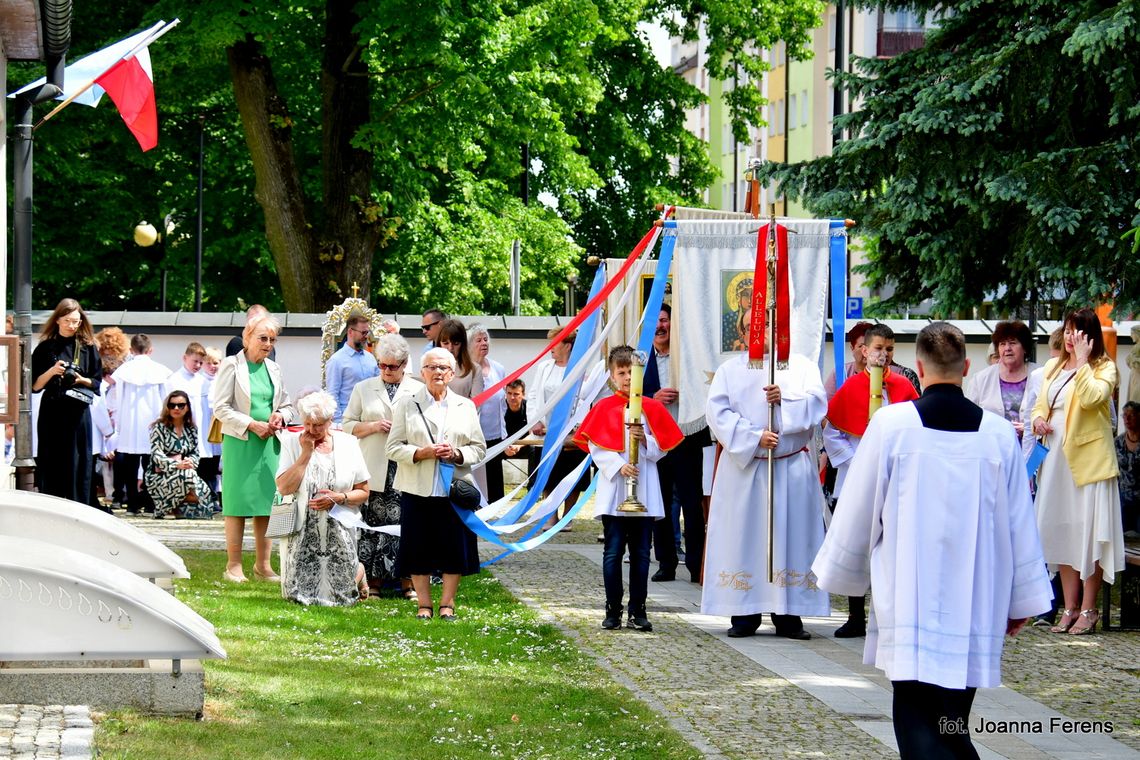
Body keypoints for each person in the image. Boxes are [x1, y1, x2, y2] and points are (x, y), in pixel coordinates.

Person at [812, 322, 1052, 760]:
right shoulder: (998, 435)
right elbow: (1021, 523)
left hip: (910, 597)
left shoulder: (891, 426)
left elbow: (859, 509)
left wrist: (842, 572)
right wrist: (1021, 600)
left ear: (918, 367)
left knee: (917, 718)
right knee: (952, 722)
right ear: (967, 367)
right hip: (975, 602)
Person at [702, 340, 829, 640]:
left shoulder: (802, 366)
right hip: (746, 469)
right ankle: (744, 613)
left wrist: (787, 399)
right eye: (752, 327)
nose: (760, 332)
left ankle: (788, 615)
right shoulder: (730, 370)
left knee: (791, 539)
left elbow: (818, 403)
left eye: (770, 324)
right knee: (746, 540)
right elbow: (717, 412)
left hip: (790, 469)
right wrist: (755, 436)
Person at [573, 346, 683, 631]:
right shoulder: (603, 408)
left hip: (644, 487)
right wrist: (616, 465)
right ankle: (612, 609)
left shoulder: (652, 408)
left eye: (630, 372)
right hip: (615, 489)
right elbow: (596, 446)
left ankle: (638, 608)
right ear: (611, 376)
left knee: (642, 553)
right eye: (620, 372)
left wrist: (645, 439)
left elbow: (662, 449)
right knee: (612, 552)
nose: (625, 378)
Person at [1031, 308, 1124, 635]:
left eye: (1077, 332)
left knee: (1088, 534)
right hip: (1055, 458)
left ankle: (1088, 608)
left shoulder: (1104, 367)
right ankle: (1069, 607)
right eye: (1067, 331)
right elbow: (1041, 402)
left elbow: (1092, 398)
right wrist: (1038, 419)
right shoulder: (1054, 366)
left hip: (1089, 463)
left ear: (1089, 336)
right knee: (1061, 531)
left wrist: (1084, 362)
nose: (1070, 338)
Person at [823, 322, 919, 637]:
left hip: (894, 478)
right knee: (856, 544)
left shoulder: (904, 387)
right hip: (855, 477)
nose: (884, 355)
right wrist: (858, 461)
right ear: (864, 351)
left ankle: (888, 616)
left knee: (891, 546)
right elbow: (832, 432)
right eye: (878, 348)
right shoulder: (849, 387)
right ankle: (855, 616)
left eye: (889, 349)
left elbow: (915, 428)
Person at [387, 347, 487, 620]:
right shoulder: (408, 404)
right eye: (432, 367)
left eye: (443, 368)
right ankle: (424, 604)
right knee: (417, 546)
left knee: (454, 546)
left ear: (452, 373)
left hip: (452, 488)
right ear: (422, 373)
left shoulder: (465, 406)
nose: (437, 372)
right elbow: (392, 448)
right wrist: (420, 453)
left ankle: (447, 603)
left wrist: (456, 454)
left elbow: (479, 449)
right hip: (417, 487)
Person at [213, 314, 294, 583]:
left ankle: (263, 565)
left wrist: (280, 416)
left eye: (272, 339)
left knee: (267, 504)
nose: (268, 343)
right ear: (247, 337)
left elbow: (287, 404)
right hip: (241, 442)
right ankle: (233, 565)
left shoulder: (274, 368)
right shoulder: (231, 365)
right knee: (236, 504)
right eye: (263, 338)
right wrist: (250, 424)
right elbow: (221, 408)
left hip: (269, 442)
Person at [275, 391, 371, 606]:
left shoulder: (349, 443)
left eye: (318, 425)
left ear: (330, 421)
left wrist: (340, 497)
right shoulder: (291, 442)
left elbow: (363, 492)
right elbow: (283, 487)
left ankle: (357, 571)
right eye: (307, 423)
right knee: (296, 597)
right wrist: (305, 454)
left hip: (339, 524)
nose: (311, 430)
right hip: (301, 527)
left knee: (343, 599)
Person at [343, 334, 421, 597]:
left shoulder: (418, 389)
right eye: (382, 365)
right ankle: (372, 581)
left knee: (405, 524)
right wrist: (373, 426)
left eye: (392, 366)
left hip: (405, 466)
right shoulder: (363, 388)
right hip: (374, 465)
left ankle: (407, 583)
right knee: (373, 525)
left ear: (404, 364)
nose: (386, 371)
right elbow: (347, 425)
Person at [643, 305, 707, 584]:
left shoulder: (688, 359)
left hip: (687, 438)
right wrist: (652, 397)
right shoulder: (642, 360)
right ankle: (666, 563)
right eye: (655, 321)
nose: (660, 326)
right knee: (660, 505)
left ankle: (696, 564)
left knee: (692, 505)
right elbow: (633, 395)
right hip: (657, 441)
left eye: (665, 320)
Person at [31, 299, 103, 503]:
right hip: (52, 409)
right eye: (68, 321)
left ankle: (79, 505)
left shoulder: (88, 347)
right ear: (58, 320)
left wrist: (81, 380)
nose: (72, 325)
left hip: (78, 411)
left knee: (79, 459)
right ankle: (52, 505)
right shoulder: (45, 348)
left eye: (76, 321)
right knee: (51, 458)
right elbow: (35, 386)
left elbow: (97, 382)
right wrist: (53, 371)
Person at [528, 328, 590, 528]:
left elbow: (584, 398)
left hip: (572, 432)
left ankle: (567, 516)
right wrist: (535, 421)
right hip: (547, 431)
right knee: (548, 474)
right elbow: (534, 395)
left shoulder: (580, 368)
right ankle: (550, 515)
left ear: (567, 346)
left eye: (555, 343)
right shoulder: (544, 368)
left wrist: (578, 426)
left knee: (570, 472)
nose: (550, 348)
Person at [109, 334, 172, 514]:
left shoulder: (124, 371)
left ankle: (133, 504)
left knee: (130, 467)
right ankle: (151, 503)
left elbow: (119, 398)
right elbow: (165, 399)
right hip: (152, 422)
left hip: (129, 423)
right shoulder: (159, 370)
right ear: (150, 350)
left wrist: (118, 426)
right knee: (150, 465)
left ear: (131, 350)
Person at [144, 390, 218, 519]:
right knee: (190, 477)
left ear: (187, 407)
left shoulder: (191, 429)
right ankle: (167, 508)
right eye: (172, 405)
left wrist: (190, 462)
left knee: (192, 479)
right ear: (167, 407)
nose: (176, 408)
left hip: (185, 470)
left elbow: (195, 453)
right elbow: (156, 454)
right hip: (160, 474)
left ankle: (175, 507)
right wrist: (177, 464)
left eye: (181, 405)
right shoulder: (159, 427)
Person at [965, 320, 1037, 438]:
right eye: (1002, 344)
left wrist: (1029, 429)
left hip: (1031, 448)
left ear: (1025, 348)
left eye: (1012, 343)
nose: (1007, 348)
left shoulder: (1040, 375)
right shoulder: (981, 379)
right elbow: (969, 418)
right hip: (992, 449)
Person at [469, 324, 509, 503]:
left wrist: (505, 433)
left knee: (494, 477)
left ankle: (495, 513)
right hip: (473, 434)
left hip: (494, 434)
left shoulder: (498, 368)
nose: (484, 343)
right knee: (476, 477)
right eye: (478, 340)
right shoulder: (465, 369)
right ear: (469, 344)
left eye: (485, 339)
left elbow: (503, 402)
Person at [324, 315, 379, 422]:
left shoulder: (371, 358)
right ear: (350, 332)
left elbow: (378, 386)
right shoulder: (337, 360)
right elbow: (332, 394)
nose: (366, 336)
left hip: (370, 418)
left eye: (367, 332)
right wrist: (339, 422)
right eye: (363, 333)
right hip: (348, 418)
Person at [198, 347, 224, 497]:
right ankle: (207, 495)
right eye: (208, 363)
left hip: (218, 425)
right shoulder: (199, 381)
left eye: (215, 363)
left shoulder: (222, 381)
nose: (212, 366)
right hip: (204, 425)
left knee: (218, 462)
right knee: (205, 463)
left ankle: (217, 494)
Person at [823, 321, 873, 399]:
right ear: (852, 348)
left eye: (870, 346)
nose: (866, 351)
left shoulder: (893, 372)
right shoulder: (840, 372)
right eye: (861, 346)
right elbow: (827, 404)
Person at [437, 319, 479, 398]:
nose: (450, 348)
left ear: (463, 344)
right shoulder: (429, 367)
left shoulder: (474, 369)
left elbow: (476, 403)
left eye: (456, 343)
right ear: (439, 343)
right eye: (445, 343)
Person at [1117, 401, 1140, 539]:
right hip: (1123, 502)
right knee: (1123, 540)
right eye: (1124, 415)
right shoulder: (1117, 442)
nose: (1127, 419)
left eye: (1131, 415)